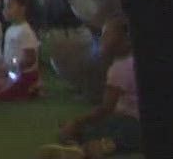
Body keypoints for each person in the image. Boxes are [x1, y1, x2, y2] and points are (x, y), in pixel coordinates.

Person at [42, 16, 140, 157]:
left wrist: (78, 122)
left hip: (127, 122)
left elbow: (105, 109)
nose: (102, 40)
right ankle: (103, 145)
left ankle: (89, 147)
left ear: (125, 40)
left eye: (106, 35)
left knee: (84, 130)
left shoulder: (119, 69)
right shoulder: (133, 62)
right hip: (139, 124)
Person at [0, 0, 41, 101]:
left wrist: (16, 65)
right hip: (11, 72)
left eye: (9, 7)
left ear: (22, 8)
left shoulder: (25, 31)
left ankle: (30, 88)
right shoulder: (10, 29)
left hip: (24, 74)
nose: (5, 11)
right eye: (4, 7)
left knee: (0, 95)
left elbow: (30, 58)